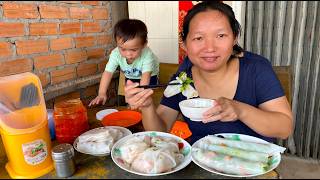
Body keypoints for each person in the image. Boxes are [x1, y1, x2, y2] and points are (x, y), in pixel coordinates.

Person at [124, 1, 293, 144]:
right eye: (198, 38)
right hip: (201, 162)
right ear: (184, 43)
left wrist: (240, 110)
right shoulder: (182, 79)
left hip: (252, 165)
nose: (210, 48)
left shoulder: (256, 69)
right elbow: (160, 130)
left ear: (234, 38)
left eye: (220, 36)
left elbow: (284, 128)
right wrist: (146, 107)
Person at [89, 19, 159, 107]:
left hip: (149, 76)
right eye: (123, 49)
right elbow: (108, 73)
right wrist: (101, 93)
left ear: (144, 44)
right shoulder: (115, 54)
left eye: (133, 50)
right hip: (130, 75)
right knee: (130, 98)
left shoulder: (148, 54)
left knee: (146, 98)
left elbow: (145, 77)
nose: (128, 54)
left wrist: (140, 99)